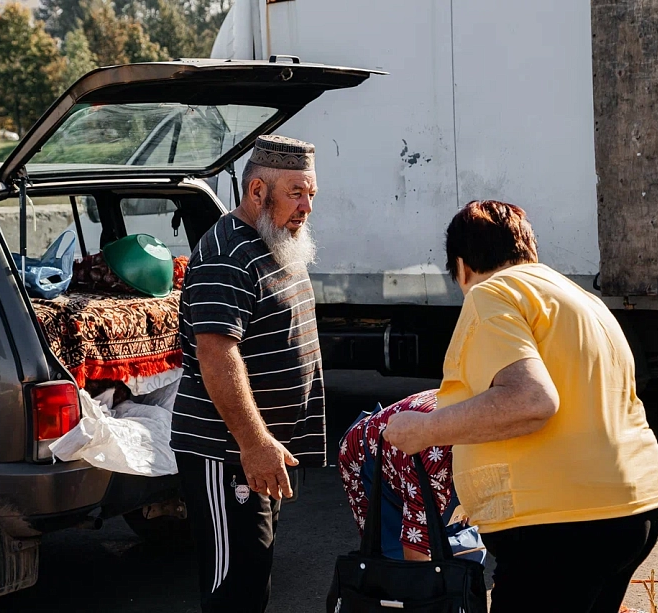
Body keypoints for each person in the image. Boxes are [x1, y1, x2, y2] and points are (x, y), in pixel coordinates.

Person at [384, 200, 658, 613]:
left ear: (462, 267)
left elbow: (531, 400)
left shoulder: (490, 294)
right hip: (639, 504)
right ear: (528, 251)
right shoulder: (580, 299)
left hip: (561, 524)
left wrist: (422, 430)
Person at [171, 135, 324, 613]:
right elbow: (217, 355)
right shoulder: (226, 252)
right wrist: (254, 443)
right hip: (226, 454)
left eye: (311, 195)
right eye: (295, 194)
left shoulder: (275, 242)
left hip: (255, 452)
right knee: (234, 592)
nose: (305, 208)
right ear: (257, 191)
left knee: (253, 579)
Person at [338, 390, 458, 561]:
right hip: (365, 456)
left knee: (457, 544)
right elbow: (415, 546)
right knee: (392, 561)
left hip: (416, 456)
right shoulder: (435, 459)